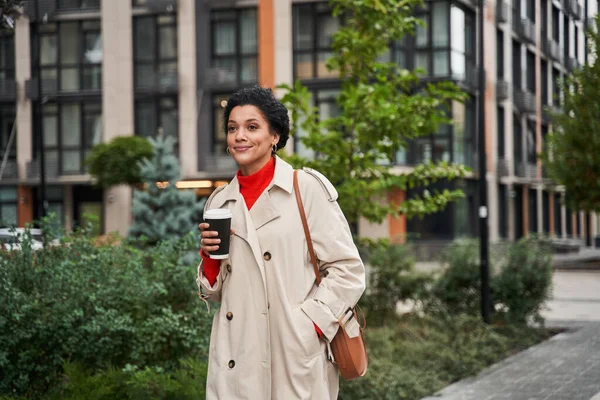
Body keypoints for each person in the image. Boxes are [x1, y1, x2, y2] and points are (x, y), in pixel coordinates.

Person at [197, 86, 366, 400]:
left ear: (275, 135)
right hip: (236, 357)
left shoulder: (305, 188)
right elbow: (215, 291)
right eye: (232, 128)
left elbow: (348, 270)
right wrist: (209, 259)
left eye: (252, 127)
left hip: (291, 356)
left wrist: (309, 326)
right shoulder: (220, 200)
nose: (239, 136)